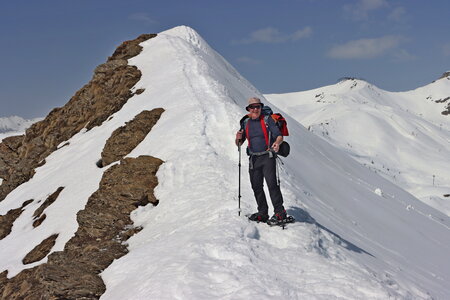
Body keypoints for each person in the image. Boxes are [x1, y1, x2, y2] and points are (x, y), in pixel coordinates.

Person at [235, 97, 287, 223]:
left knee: (272, 185)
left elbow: (279, 135)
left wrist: (277, 143)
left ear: (261, 107)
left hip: (267, 156)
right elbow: (239, 144)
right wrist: (238, 138)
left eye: (258, 107)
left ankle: (280, 212)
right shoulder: (246, 122)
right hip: (253, 158)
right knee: (256, 186)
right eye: (252, 107)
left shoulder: (267, 119)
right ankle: (262, 212)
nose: (255, 109)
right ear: (248, 109)